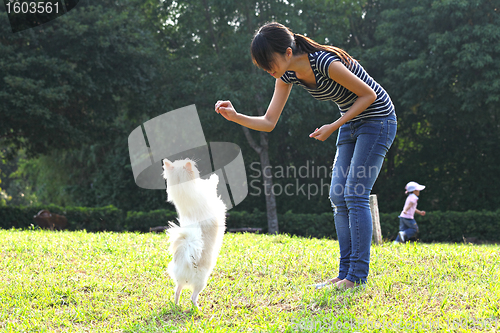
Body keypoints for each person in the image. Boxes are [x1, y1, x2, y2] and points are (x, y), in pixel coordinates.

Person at [215, 22, 397, 289]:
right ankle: (345, 273)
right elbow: (268, 121)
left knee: (355, 192)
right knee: (338, 195)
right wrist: (235, 117)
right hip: (350, 121)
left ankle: (356, 277)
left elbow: (368, 95)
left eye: (270, 62)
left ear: (288, 53)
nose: (269, 70)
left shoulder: (324, 62)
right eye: (264, 66)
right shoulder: (287, 75)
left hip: (378, 119)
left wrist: (333, 127)